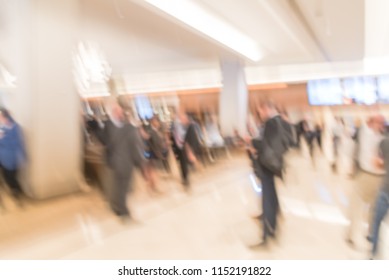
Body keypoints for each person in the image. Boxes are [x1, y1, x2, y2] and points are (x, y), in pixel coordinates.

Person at [96, 100, 146, 222]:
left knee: (119, 188)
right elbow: (134, 148)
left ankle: (119, 209)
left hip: (117, 162)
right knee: (123, 188)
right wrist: (140, 164)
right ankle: (124, 213)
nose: (121, 113)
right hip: (123, 163)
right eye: (118, 111)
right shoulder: (129, 128)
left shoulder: (123, 126)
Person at [252, 101, 292, 247]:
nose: (260, 115)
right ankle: (273, 229)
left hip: (267, 166)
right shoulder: (280, 122)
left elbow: (265, 145)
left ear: (267, 109)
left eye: (261, 111)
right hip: (273, 166)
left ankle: (267, 236)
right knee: (272, 197)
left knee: (267, 200)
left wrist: (251, 142)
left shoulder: (271, 123)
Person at [346, 115, 385, 245]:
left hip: (380, 178)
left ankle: (370, 234)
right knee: (356, 207)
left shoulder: (382, 136)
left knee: (374, 209)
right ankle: (352, 234)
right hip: (364, 174)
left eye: (382, 123)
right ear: (370, 122)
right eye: (379, 122)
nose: (381, 125)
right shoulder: (364, 133)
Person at [0, 108, 27, 207]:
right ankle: (14, 193)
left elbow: (20, 143)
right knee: (7, 177)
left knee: (12, 178)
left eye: (0, 116)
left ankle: (17, 194)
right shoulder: (2, 128)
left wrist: (24, 157)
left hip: (12, 158)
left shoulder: (15, 127)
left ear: (5, 116)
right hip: (3, 157)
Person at [369, 135, 389, 259]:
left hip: (386, 190)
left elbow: (377, 163)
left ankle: (374, 254)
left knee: (377, 222)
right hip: (385, 191)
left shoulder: (385, 142)